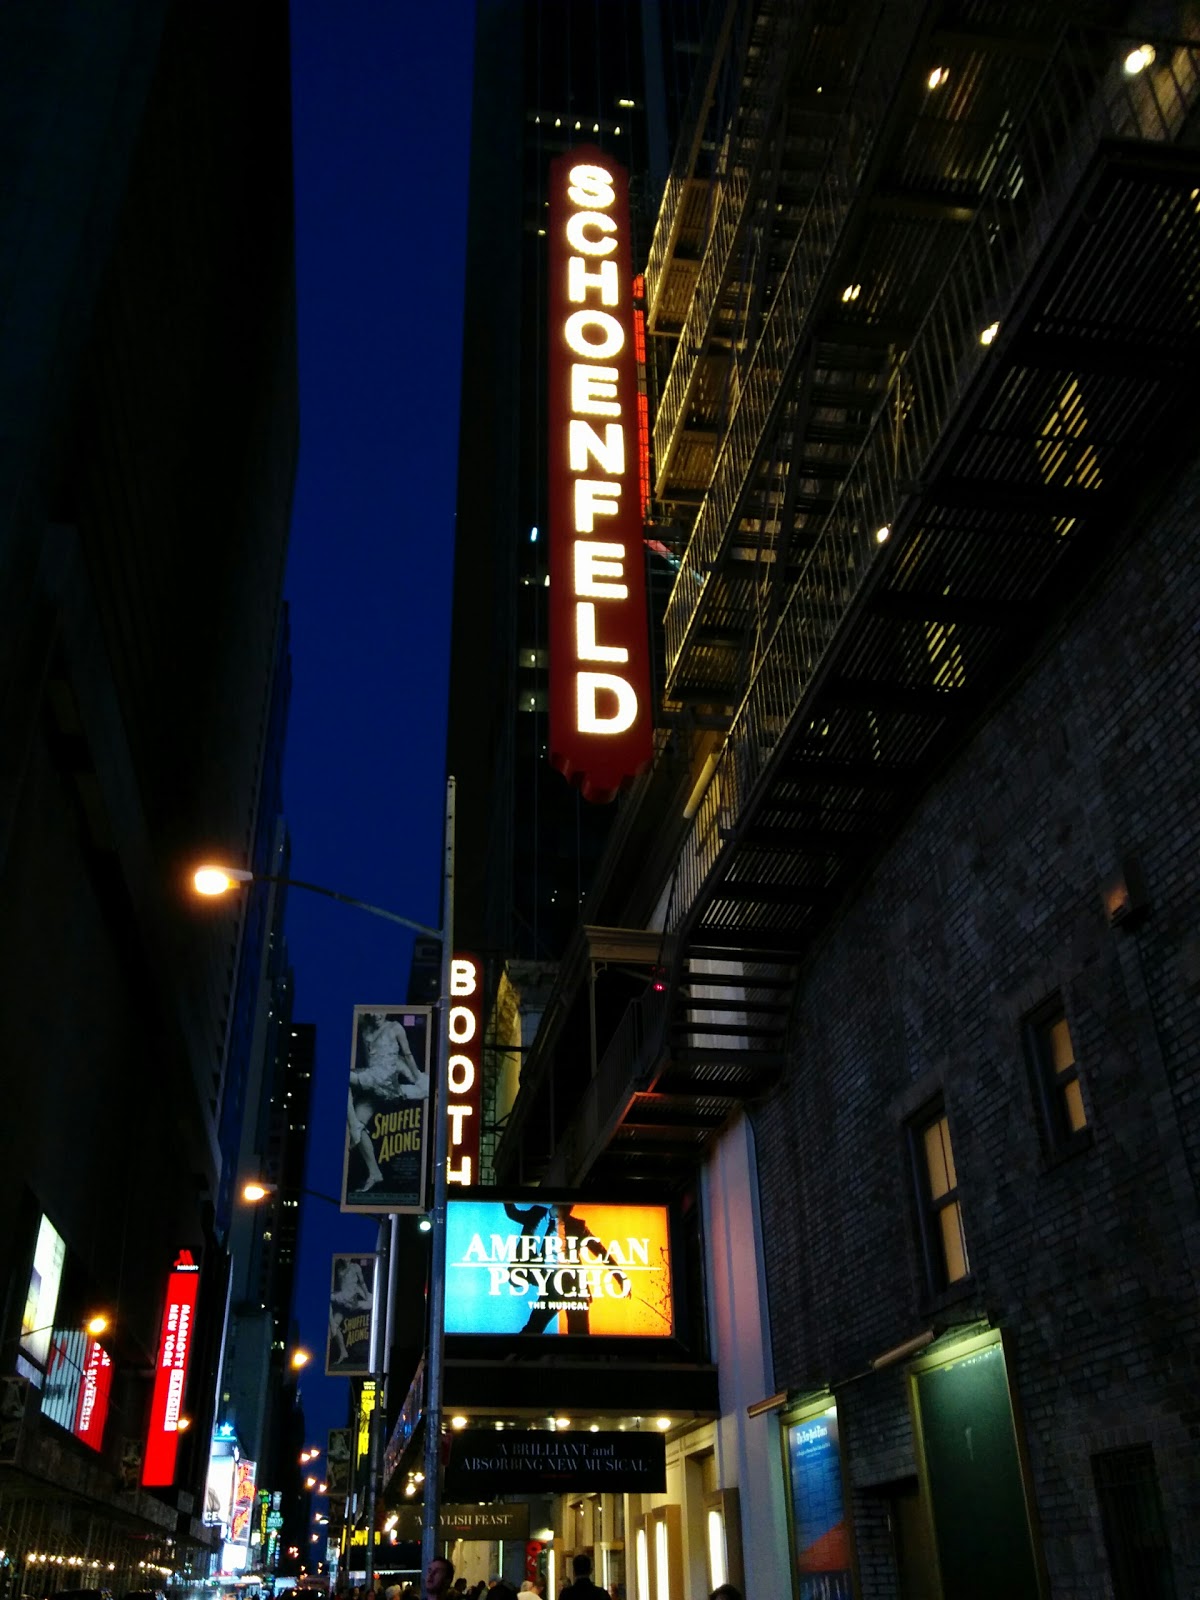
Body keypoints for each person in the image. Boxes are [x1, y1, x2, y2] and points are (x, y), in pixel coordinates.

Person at [347, 1011, 427, 1191]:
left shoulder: (395, 1028)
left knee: (423, 1089)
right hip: (374, 1081)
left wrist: (418, 1077)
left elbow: (407, 1054)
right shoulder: (366, 1031)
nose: (376, 1015)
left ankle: (354, 1126)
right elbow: (371, 1061)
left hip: (384, 1081)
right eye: (371, 1013)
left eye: (379, 1012)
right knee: (358, 1126)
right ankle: (375, 1173)